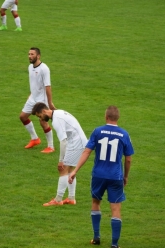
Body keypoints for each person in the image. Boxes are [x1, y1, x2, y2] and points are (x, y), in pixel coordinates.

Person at [69, 106, 134, 248]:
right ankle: (114, 244)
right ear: (118, 118)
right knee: (115, 209)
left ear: (106, 117)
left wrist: (75, 171)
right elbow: (128, 159)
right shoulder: (124, 134)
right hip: (116, 176)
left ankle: (96, 237)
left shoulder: (98, 131)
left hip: (98, 175)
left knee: (96, 202)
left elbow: (86, 152)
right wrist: (126, 176)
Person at [32, 102, 88, 206]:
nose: (41, 119)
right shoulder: (58, 112)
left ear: (44, 111)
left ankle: (58, 200)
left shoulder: (56, 120)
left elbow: (63, 141)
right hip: (79, 141)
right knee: (70, 170)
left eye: (40, 116)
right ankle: (71, 198)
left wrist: (61, 160)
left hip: (76, 143)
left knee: (63, 169)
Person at [19, 48, 56, 154]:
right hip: (32, 98)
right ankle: (35, 139)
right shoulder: (30, 67)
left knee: (43, 121)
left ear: (38, 56)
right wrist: (31, 95)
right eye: (29, 54)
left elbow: (48, 87)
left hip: (41, 100)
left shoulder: (44, 69)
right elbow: (34, 83)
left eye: (32, 54)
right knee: (22, 117)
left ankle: (51, 146)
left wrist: (50, 102)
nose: (30, 56)